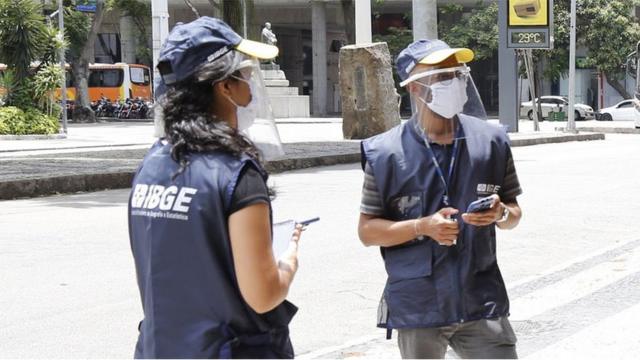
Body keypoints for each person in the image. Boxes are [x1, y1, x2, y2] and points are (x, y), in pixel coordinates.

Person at [129, 17, 303, 359]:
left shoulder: (151, 165)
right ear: (224, 87)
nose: (251, 91)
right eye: (247, 77)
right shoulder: (237, 174)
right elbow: (263, 294)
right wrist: (289, 261)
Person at [358, 39, 523, 359]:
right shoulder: (385, 153)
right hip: (420, 305)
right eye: (442, 77)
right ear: (415, 89)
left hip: (481, 300)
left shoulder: (492, 142)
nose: (455, 82)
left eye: (458, 74)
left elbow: (515, 212)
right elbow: (367, 231)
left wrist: (501, 214)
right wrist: (421, 226)